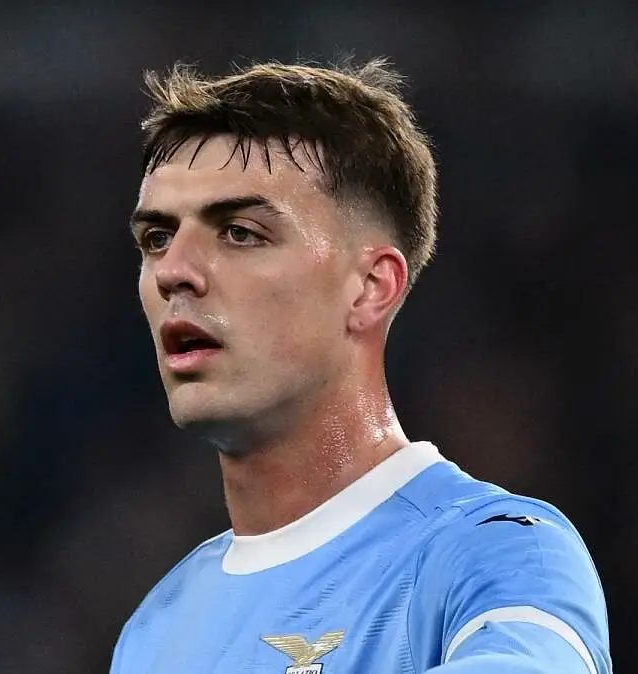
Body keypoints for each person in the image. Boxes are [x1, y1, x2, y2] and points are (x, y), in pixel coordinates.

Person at [110, 57, 611, 674]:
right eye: (157, 238)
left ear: (371, 287)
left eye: (240, 232)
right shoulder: (157, 629)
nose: (172, 271)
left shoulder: (498, 551)